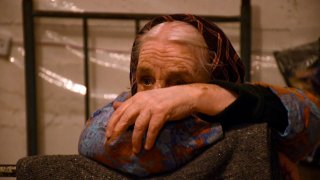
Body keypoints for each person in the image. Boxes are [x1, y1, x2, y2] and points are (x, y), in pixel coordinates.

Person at [78, 14, 320, 179]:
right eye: (146, 80)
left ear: (215, 80)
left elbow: (313, 118)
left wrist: (200, 95)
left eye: (180, 82)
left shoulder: (232, 99)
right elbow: (93, 140)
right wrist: (260, 145)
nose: (157, 96)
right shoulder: (127, 105)